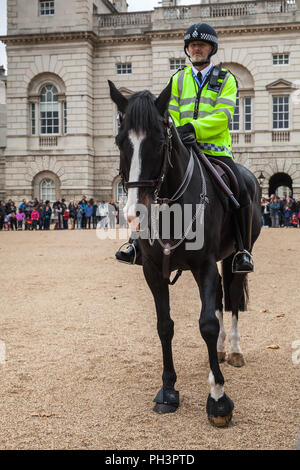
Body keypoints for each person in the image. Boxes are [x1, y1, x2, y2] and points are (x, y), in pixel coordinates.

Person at [116, 22, 253, 273]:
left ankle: (242, 251)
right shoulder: (178, 78)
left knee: (241, 189)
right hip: (181, 147)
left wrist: (193, 129)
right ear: (187, 49)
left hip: (216, 150)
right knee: (150, 182)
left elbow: (224, 115)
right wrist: (179, 133)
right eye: (192, 45)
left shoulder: (226, 79)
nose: (196, 49)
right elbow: (171, 111)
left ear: (211, 48)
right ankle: (136, 243)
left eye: (201, 45)